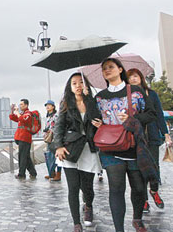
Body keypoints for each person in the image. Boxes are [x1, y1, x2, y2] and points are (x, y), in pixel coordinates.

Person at [95, 58, 158, 232]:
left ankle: (137, 218)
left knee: (138, 187)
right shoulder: (99, 96)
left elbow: (151, 114)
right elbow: (93, 120)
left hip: (134, 146)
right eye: (104, 68)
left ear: (120, 69)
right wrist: (96, 122)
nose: (107, 70)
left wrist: (133, 119)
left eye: (111, 67)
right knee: (116, 188)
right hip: (110, 148)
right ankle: (119, 229)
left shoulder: (136, 91)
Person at [53, 72, 102, 232]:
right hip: (71, 149)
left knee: (87, 187)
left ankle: (88, 205)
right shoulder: (66, 103)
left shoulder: (92, 102)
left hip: (88, 148)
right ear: (70, 87)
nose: (78, 86)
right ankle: (76, 222)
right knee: (73, 187)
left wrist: (90, 101)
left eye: (81, 82)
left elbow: (96, 120)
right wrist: (58, 146)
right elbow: (59, 126)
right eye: (74, 83)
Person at [127, 68, 171, 212]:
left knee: (153, 166)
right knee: (140, 169)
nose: (133, 79)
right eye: (130, 77)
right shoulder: (127, 96)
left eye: (135, 76)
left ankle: (154, 190)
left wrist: (165, 133)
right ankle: (144, 200)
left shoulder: (151, 94)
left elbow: (159, 114)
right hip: (136, 136)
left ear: (141, 78)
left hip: (152, 135)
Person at [9, 99, 37, 179]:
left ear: (26, 105)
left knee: (22, 157)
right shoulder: (23, 114)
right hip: (21, 138)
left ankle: (21, 174)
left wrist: (17, 113)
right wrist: (12, 111)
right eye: (20, 104)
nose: (20, 106)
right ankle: (33, 173)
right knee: (26, 156)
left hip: (25, 138)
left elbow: (22, 119)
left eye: (21, 104)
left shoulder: (28, 114)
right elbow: (13, 118)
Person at [43, 100, 61, 181]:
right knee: (50, 156)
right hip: (49, 139)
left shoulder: (56, 115)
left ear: (53, 106)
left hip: (56, 138)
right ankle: (52, 173)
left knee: (57, 156)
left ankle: (58, 174)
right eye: (46, 105)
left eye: (49, 105)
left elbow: (58, 126)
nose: (47, 107)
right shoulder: (48, 116)